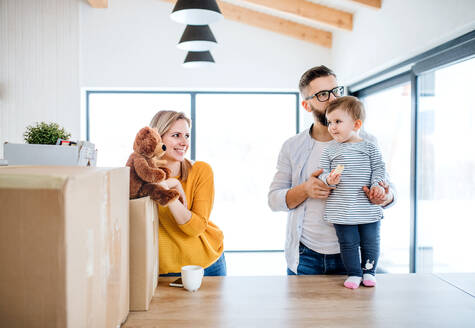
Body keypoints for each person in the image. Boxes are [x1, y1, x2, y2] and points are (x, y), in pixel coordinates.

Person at [268, 65, 395, 277]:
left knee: (355, 311)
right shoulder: (292, 146)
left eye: (337, 90)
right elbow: (273, 200)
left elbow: (391, 192)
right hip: (305, 255)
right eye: (323, 94)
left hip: (356, 254)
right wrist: (306, 189)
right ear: (307, 106)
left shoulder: (368, 141)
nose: (334, 98)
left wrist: (383, 195)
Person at [318, 96, 386, 289]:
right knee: (348, 243)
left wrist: (378, 185)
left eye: (338, 122)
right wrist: (328, 180)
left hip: (367, 206)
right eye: (330, 122)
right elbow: (323, 174)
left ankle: (369, 272)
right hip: (342, 208)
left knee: (370, 242)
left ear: (356, 124)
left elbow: (379, 169)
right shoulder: (330, 150)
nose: (332, 127)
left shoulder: (370, 147)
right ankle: (354, 273)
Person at [149, 110, 226, 276]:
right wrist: (172, 183)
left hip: (207, 264)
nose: (184, 142)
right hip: (163, 269)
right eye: (176, 135)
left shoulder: (201, 171)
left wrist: (167, 192)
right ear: (156, 138)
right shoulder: (142, 176)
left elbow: (196, 228)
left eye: (187, 136)